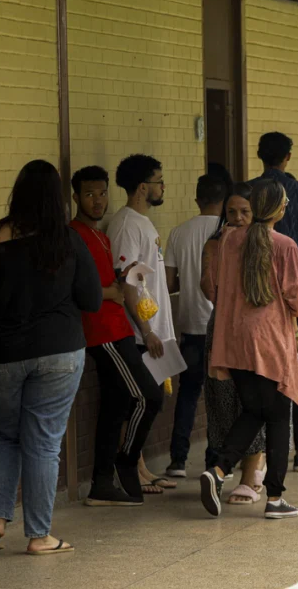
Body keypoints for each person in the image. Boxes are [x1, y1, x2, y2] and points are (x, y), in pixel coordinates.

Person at [0, 160, 101, 555]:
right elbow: (91, 299)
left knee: (2, 434)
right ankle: (40, 536)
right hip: (59, 351)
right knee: (43, 442)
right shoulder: (67, 239)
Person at [199, 178, 298, 520]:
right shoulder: (285, 245)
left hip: (233, 338)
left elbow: (214, 287)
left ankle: (218, 470)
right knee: (277, 417)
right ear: (277, 209)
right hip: (270, 341)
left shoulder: (228, 239)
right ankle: (274, 497)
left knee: (254, 410)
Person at [69, 166, 164, 508]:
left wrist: (117, 286)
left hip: (120, 327)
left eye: (102, 193)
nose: (98, 201)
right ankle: (128, 460)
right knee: (148, 397)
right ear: (75, 197)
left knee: (115, 405)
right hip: (102, 333)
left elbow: (114, 284)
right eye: (90, 194)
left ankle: (101, 485)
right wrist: (110, 291)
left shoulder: (102, 236)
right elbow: (82, 289)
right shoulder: (74, 235)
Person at [253, 132, 298, 471]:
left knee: (257, 373)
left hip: (255, 294)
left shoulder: (248, 190)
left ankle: (256, 455)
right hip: (295, 293)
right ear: (288, 157)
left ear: (259, 155)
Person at [105, 154, 177, 494]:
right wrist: (146, 330)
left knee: (146, 403)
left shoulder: (143, 222)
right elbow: (129, 280)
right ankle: (130, 465)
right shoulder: (125, 224)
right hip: (137, 332)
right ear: (141, 186)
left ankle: (142, 465)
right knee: (137, 401)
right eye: (159, 180)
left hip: (153, 328)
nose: (163, 186)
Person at [200, 182, 267, 505]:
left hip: (257, 332)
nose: (238, 218)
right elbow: (208, 289)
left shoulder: (266, 244)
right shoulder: (215, 245)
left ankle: (252, 473)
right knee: (224, 402)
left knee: (254, 400)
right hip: (222, 329)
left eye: (245, 212)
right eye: (232, 212)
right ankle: (226, 465)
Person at [163, 174, 224, 478]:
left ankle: (177, 460)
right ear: (224, 201)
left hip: (189, 325)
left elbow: (170, 282)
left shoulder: (178, 232)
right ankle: (214, 462)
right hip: (221, 328)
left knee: (188, 392)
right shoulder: (227, 230)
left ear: (197, 199)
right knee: (218, 396)